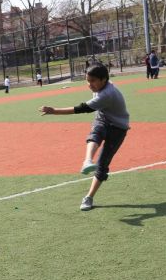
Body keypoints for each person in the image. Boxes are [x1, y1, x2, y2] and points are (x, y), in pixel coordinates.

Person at [37, 63, 130, 211]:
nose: (89, 85)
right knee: (96, 132)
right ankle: (87, 161)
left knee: (102, 165)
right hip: (103, 119)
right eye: (87, 81)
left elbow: (81, 109)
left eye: (92, 81)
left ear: (104, 80)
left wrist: (54, 110)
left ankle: (89, 197)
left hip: (119, 127)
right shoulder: (103, 85)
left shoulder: (107, 94)